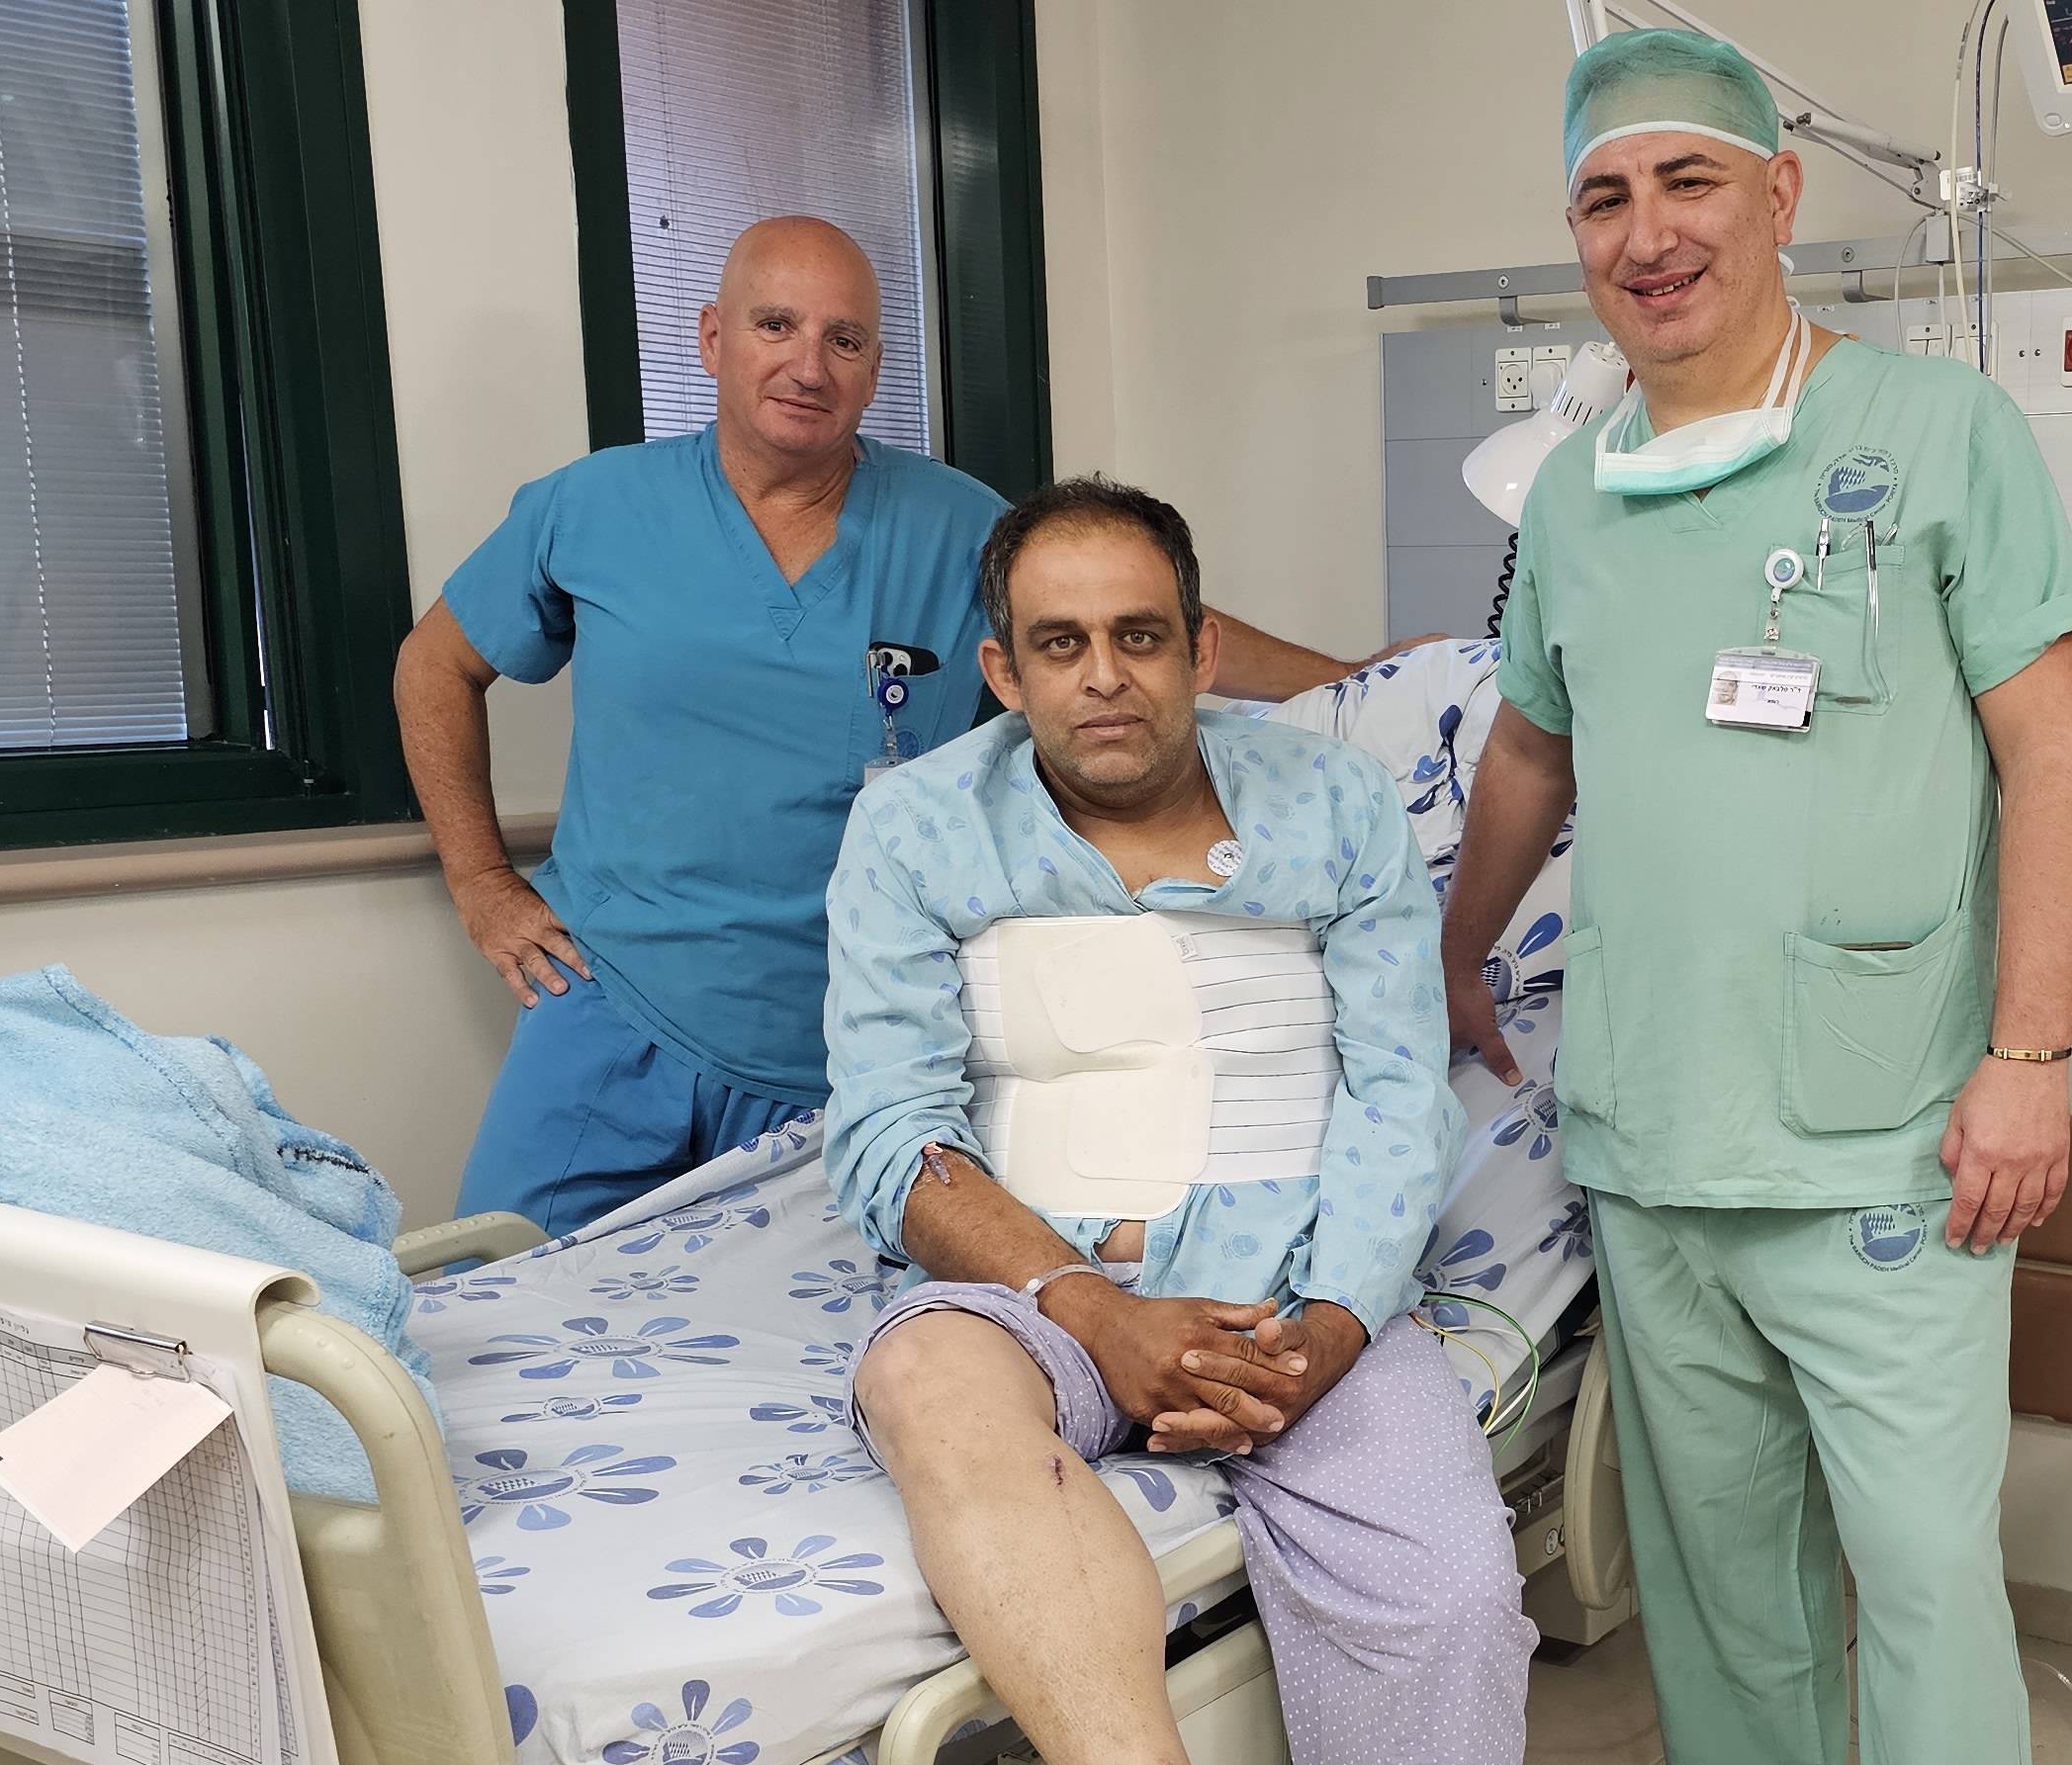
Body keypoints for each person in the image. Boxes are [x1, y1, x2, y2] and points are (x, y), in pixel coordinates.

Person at [1435, 31, 2072, 1765]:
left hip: (1888, 1131)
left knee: (1916, 1585)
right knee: (1719, 1584)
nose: (1645, 235)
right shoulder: (1571, 494)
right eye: (1601, 197)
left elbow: (2050, 750)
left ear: (1778, 194)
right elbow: (1526, 752)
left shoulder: (1932, 432)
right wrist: (1453, 949)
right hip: (1651, 1127)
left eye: (1686, 183)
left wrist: (2027, 1052)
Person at [826, 478, 1535, 1765]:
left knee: (1448, 1597)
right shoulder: (916, 827)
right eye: (1058, 643)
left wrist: (1335, 1322)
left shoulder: (1330, 805)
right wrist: (1090, 1310)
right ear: (1001, 670)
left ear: (1203, 649)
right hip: (1046, 1283)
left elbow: (1400, 1088)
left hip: (1301, 1289)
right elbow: (890, 1137)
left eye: (1140, 635)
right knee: (919, 1378)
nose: (1105, 676)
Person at [396, 216, 1382, 1235]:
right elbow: (434, 665)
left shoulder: (953, 524)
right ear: (711, 338)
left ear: (873, 371)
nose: (808, 366)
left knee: (812, 1322)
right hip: (611, 1006)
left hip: (857, 1034)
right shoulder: (592, 507)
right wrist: (480, 884)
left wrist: (1359, 677)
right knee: (484, 1288)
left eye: (845, 339)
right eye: (775, 325)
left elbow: (1133, 626)